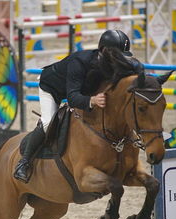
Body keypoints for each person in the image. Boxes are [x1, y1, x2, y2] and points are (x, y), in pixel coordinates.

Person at [14, 29, 135, 183]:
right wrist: (91, 101)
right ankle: (24, 162)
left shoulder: (111, 62)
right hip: (52, 88)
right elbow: (72, 97)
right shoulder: (79, 62)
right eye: (118, 57)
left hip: (81, 89)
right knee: (47, 122)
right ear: (104, 51)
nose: (121, 62)